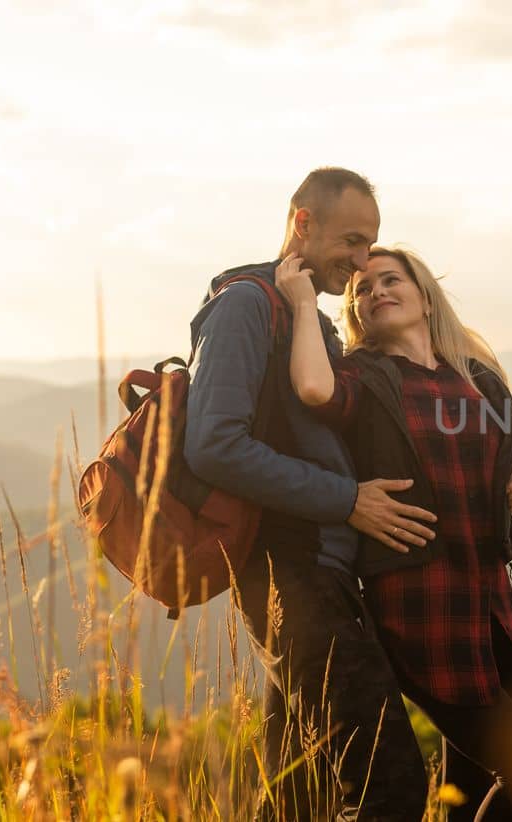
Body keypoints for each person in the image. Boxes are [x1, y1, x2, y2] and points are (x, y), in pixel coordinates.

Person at [183, 168, 434, 820]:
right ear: (302, 223)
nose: (361, 260)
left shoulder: (303, 318)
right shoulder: (245, 305)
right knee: (392, 786)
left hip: (316, 578)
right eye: (351, 240)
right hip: (290, 579)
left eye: (372, 243)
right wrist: (346, 500)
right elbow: (214, 446)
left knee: (299, 798)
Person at [274, 245, 512, 821]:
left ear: (425, 296)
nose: (375, 291)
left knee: (474, 789)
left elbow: (498, 474)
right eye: (362, 290)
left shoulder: (481, 382)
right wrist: (305, 301)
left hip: (491, 607)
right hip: (417, 609)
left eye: (389, 279)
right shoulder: (366, 378)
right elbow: (311, 388)